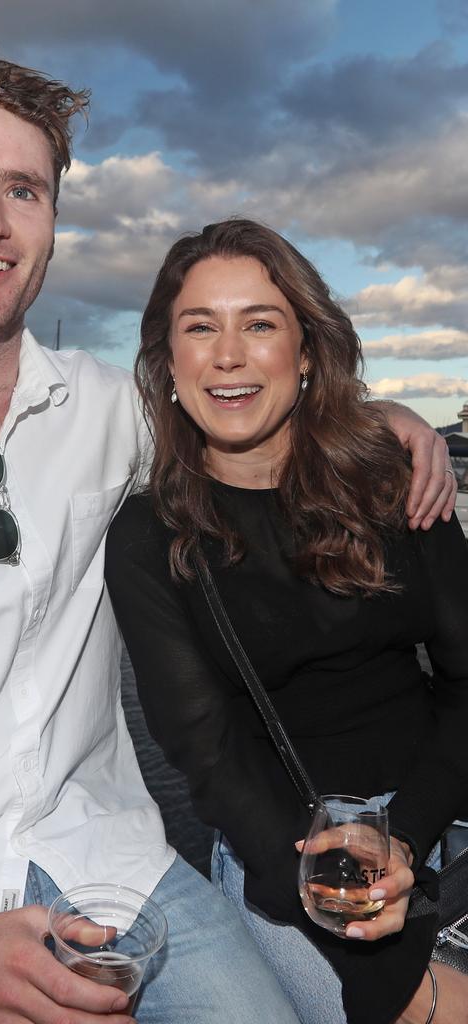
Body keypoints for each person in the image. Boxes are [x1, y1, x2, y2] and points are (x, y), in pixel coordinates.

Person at [0, 16, 452, 1024]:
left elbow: (240, 411)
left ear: (53, 217)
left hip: (113, 870)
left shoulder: (109, 410)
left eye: (23, 189)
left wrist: (380, 423)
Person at [105, 218, 468, 1024]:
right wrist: (345, 870)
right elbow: (207, 755)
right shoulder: (151, 535)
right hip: (293, 857)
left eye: (259, 324)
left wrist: (404, 833)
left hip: (441, 815)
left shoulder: (395, 483)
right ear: (168, 362)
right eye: (200, 327)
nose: (227, 355)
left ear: (306, 352)